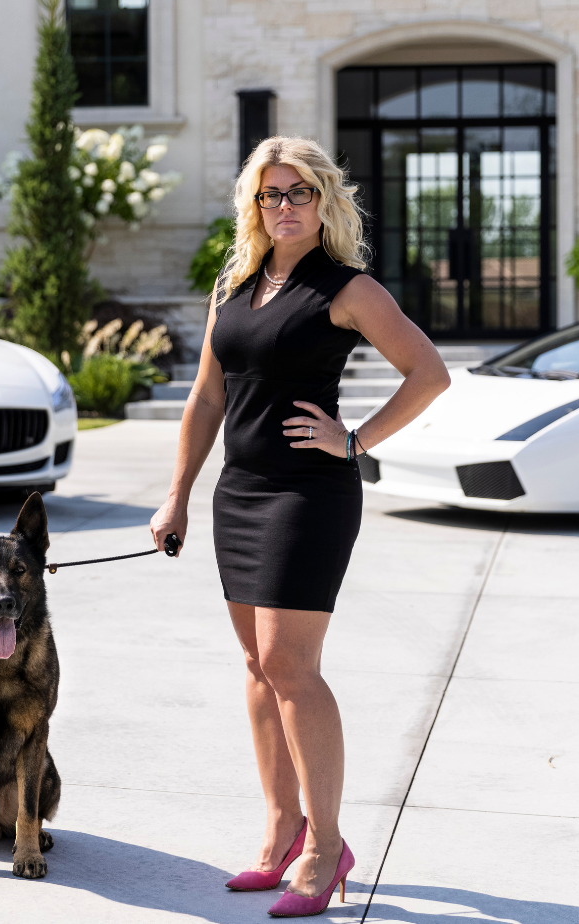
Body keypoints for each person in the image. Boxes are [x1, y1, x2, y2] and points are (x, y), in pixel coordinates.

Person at [149, 135, 449, 916]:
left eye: (298, 193)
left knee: (290, 666)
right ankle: (282, 828)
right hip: (238, 493)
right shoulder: (235, 285)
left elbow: (429, 373)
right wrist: (177, 493)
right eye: (270, 195)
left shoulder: (346, 289)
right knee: (257, 668)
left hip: (308, 495)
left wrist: (354, 440)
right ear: (254, 205)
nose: (283, 207)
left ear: (324, 202)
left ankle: (325, 845)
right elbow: (207, 399)